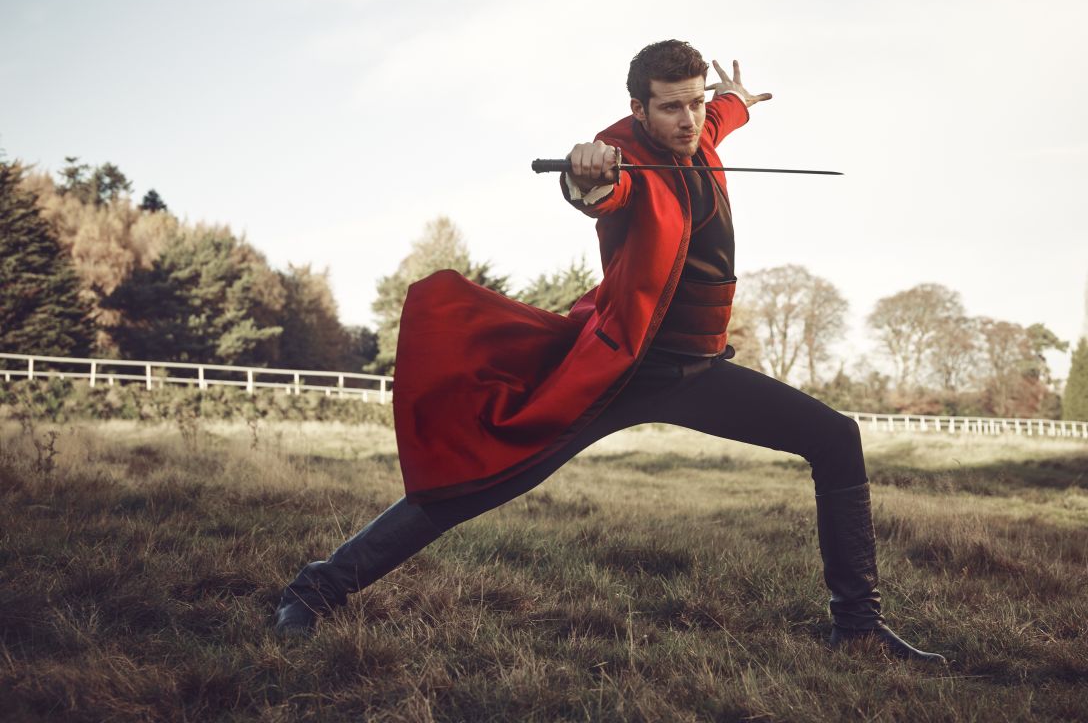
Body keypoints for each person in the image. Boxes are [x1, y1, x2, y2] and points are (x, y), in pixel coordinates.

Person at [273, 39, 945, 664]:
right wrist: (586, 175)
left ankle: (857, 629)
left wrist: (735, 97)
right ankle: (313, 590)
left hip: (699, 370)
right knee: (479, 483)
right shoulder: (620, 154)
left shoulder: (705, 128)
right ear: (638, 108)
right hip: (622, 370)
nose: (688, 120)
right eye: (671, 106)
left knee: (835, 437)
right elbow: (599, 190)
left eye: (696, 103)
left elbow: (722, 118)